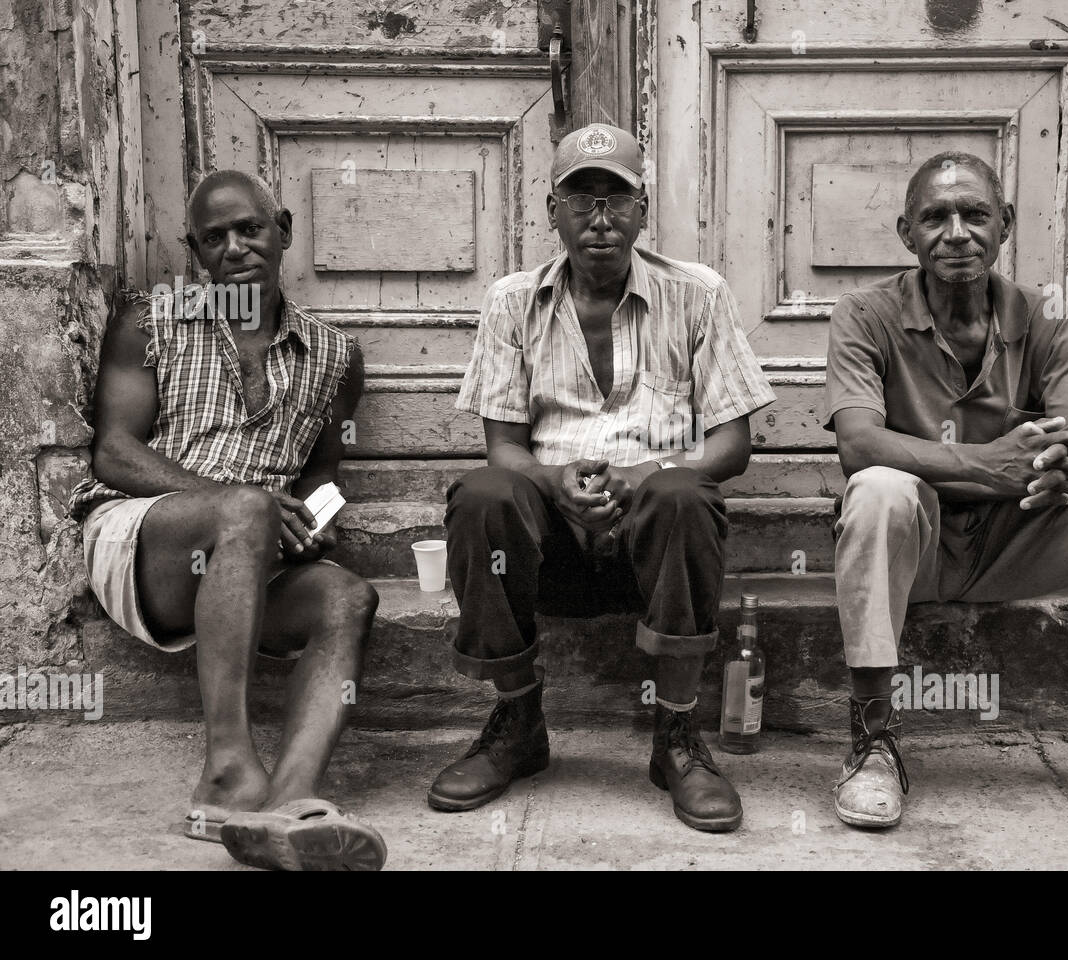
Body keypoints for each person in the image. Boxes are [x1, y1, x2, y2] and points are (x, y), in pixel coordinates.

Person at [823, 151, 1068, 838]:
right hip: (915, 551)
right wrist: (990, 465)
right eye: (935, 217)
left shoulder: (1041, 317)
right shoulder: (864, 315)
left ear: (1005, 223)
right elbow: (859, 445)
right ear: (906, 233)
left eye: (975, 214)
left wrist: (1048, 467)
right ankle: (871, 742)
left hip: (1017, 543)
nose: (957, 233)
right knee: (878, 489)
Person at [428, 123, 776, 832]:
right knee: (482, 496)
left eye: (616, 199)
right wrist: (554, 482)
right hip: (548, 550)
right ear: (551, 211)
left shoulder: (697, 294)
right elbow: (504, 449)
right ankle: (517, 722)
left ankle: (676, 736)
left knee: (682, 492)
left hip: (654, 550)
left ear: (642, 209)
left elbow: (733, 444)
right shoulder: (511, 301)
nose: (600, 219)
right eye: (581, 199)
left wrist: (648, 472)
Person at [68, 169, 387, 870]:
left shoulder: (336, 356)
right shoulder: (151, 321)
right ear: (194, 252)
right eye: (214, 238)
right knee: (245, 506)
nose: (235, 247)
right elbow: (115, 452)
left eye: (250, 229)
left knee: (348, 596)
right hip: (142, 543)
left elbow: (320, 475)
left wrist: (317, 520)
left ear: (285, 232)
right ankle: (226, 770)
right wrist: (237, 501)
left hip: (248, 563)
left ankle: (287, 807)